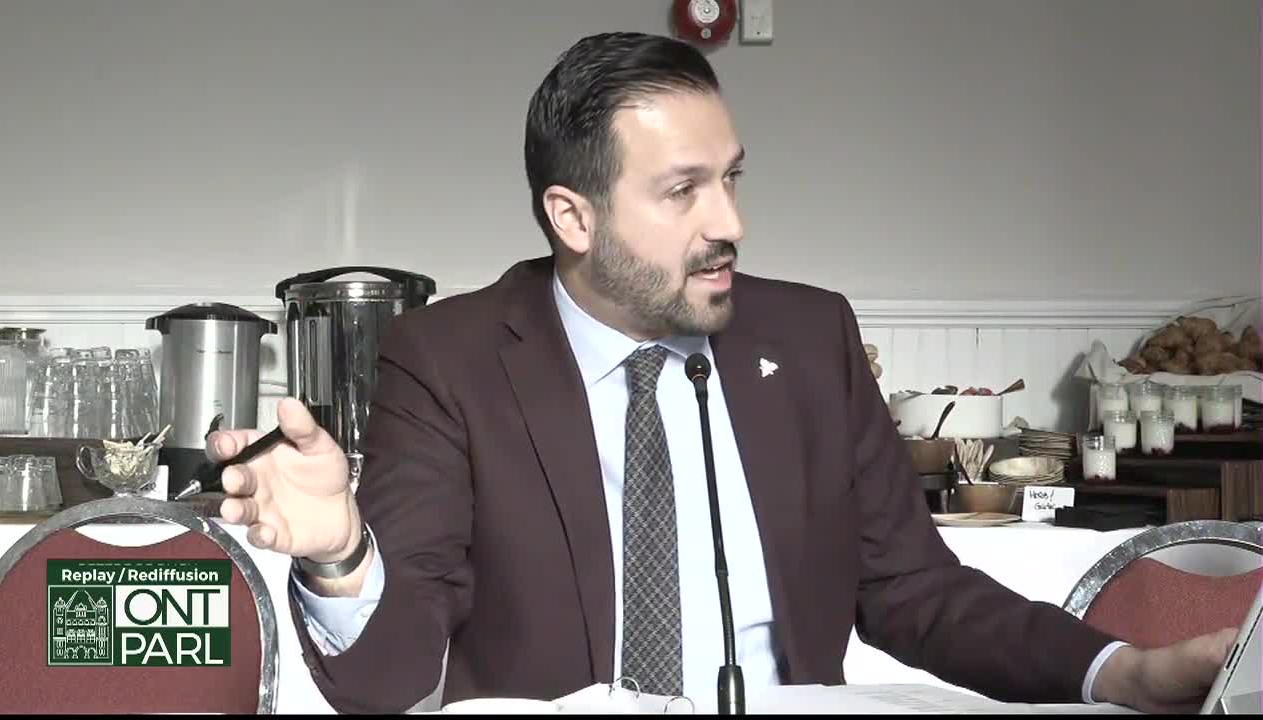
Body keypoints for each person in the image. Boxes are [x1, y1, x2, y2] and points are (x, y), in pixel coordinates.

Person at [208, 31, 1237, 714]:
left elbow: (915, 594)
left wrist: (1121, 672)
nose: (728, 225)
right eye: (681, 191)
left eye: (731, 180)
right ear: (572, 215)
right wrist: (343, 554)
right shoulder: (449, 360)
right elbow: (389, 684)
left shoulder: (809, 336)